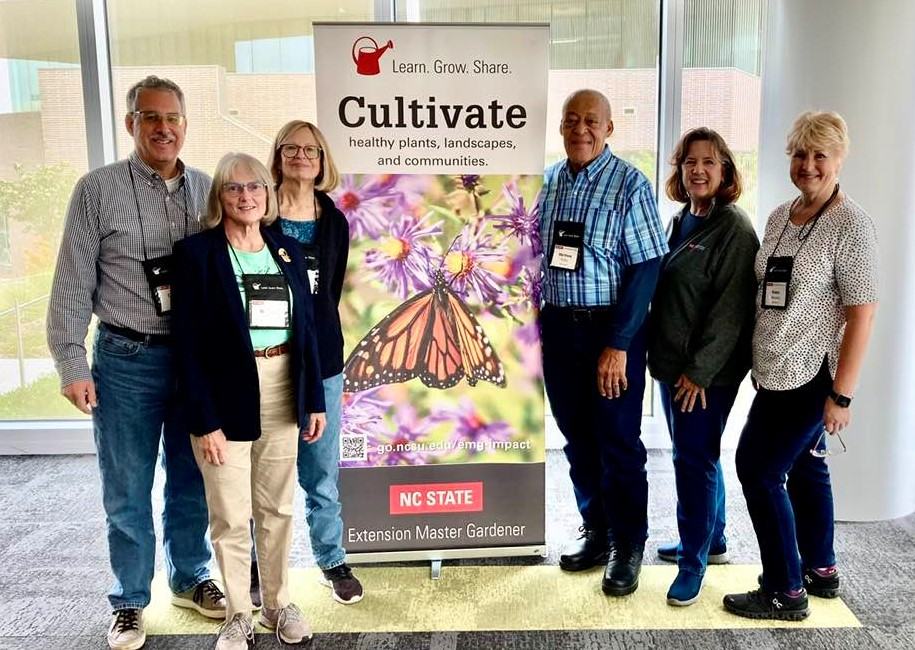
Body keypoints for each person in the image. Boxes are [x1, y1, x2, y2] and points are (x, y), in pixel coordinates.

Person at [46, 75, 225, 650]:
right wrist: (71, 361)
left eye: (172, 118)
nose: (163, 128)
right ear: (131, 124)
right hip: (126, 358)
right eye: (151, 117)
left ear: (185, 125)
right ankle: (128, 599)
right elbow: (72, 281)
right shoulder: (96, 190)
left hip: (194, 362)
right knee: (126, 486)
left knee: (193, 476)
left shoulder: (208, 190)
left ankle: (190, 576)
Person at [724, 111, 879, 620]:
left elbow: (862, 314)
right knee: (808, 467)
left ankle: (784, 590)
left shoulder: (851, 225)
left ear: (839, 159)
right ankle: (820, 568)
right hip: (774, 368)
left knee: (757, 470)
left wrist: (842, 396)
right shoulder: (779, 216)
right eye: (799, 153)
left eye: (820, 155)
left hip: (812, 375)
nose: (808, 164)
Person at [171, 152, 327, 648]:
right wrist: (204, 421)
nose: (246, 196)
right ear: (220, 196)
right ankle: (238, 613)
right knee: (230, 514)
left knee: (278, 507)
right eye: (234, 188)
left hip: (282, 384)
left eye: (255, 187)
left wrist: (314, 399)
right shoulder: (197, 254)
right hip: (224, 394)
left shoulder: (287, 252)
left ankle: (278, 605)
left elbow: (307, 330)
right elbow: (187, 345)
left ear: (268, 194)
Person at [539, 89, 668, 596]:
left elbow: (646, 267)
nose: (581, 129)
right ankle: (596, 531)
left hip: (611, 332)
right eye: (571, 120)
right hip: (558, 329)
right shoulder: (549, 181)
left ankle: (628, 544)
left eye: (591, 121)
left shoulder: (629, 184)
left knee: (618, 442)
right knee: (576, 438)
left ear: (609, 128)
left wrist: (618, 344)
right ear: (561, 127)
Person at [647, 128, 759, 606]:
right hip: (672, 366)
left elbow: (731, 313)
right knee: (697, 454)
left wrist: (698, 372)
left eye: (709, 162)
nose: (698, 170)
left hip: (705, 375)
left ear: (725, 170)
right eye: (690, 162)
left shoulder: (734, 229)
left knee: (692, 461)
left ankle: (692, 564)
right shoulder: (680, 220)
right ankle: (712, 541)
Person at [265, 120, 363, 604]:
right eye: (292, 148)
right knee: (265, 473)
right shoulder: (259, 212)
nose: (301, 156)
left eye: (311, 150)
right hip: (266, 359)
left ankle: (332, 559)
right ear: (278, 155)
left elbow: (329, 293)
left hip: (322, 359)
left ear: (322, 160)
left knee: (321, 472)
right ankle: (259, 569)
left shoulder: (334, 222)